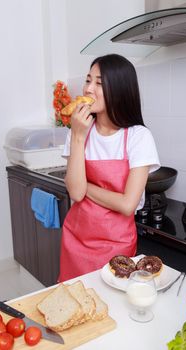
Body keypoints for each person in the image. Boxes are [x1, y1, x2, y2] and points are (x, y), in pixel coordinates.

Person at [58, 54, 160, 282]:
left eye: (99, 83)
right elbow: (75, 193)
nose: (88, 89)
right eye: (88, 80)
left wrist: (86, 187)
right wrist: (77, 136)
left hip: (117, 248)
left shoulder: (138, 137)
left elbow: (127, 205)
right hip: (75, 242)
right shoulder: (77, 132)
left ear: (119, 89)